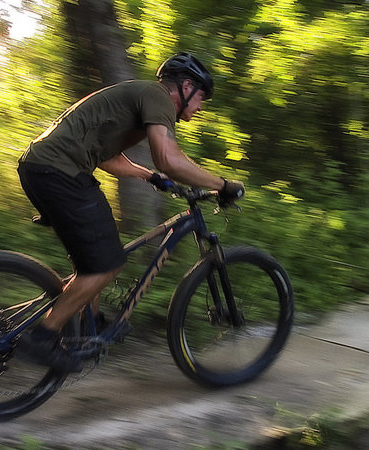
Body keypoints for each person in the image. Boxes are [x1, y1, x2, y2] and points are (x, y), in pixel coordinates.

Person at [15, 52, 245, 370]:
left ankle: (89, 325)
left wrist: (149, 176)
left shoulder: (137, 98)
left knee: (93, 262)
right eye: (201, 97)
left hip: (39, 168)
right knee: (106, 265)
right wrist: (222, 184)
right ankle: (41, 338)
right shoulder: (159, 96)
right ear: (187, 86)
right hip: (60, 172)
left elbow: (108, 157)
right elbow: (169, 158)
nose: (201, 107)